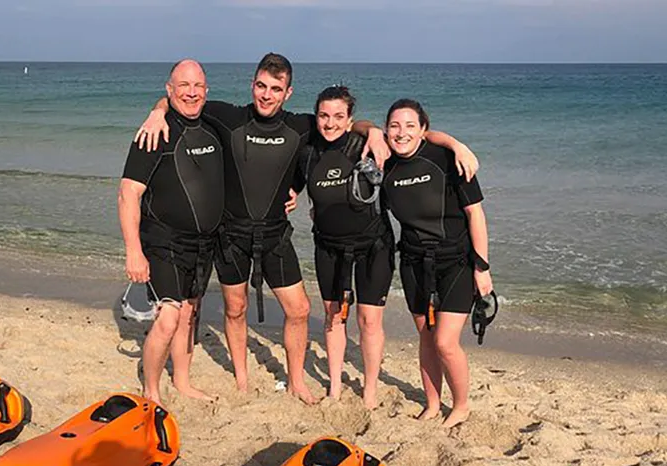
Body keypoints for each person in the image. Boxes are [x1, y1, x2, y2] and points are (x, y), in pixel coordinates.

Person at [136, 54, 479, 406]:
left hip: (277, 235)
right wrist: (157, 110)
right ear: (253, 85)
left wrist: (378, 131)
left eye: (276, 89)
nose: (267, 95)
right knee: (235, 309)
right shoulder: (230, 117)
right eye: (261, 86)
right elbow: (186, 101)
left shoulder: (302, 126)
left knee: (300, 310)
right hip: (231, 234)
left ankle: (298, 380)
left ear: (288, 92)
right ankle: (241, 379)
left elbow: (355, 127)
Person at [118, 60, 224, 407]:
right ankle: (151, 390)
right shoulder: (153, 133)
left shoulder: (212, 127)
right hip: (162, 239)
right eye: (183, 86)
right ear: (169, 90)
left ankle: (182, 380)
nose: (191, 93)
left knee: (189, 313)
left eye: (198, 86)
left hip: (202, 244)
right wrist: (134, 250)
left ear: (207, 91)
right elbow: (128, 193)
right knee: (168, 316)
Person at [381, 98, 493, 428]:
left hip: (455, 262)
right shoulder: (385, 164)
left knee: (445, 342)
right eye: (394, 126)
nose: (401, 133)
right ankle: (432, 403)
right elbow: (357, 131)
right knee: (427, 339)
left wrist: (482, 267)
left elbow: (476, 214)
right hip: (414, 263)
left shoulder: (449, 159)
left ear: (424, 131)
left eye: (410, 126)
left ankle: (461, 405)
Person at [292, 86, 394, 408]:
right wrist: (291, 196)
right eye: (324, 115)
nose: (330, 123)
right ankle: (335, 386)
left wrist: (375, 130)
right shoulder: (307, 153)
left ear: (350, 120)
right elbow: (291, 185)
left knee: (369, 320)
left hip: (373, 247)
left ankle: (370, 390)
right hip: (329, 248)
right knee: (333, 317)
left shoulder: (365, 145)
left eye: (338, 116)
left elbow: (415, 142)